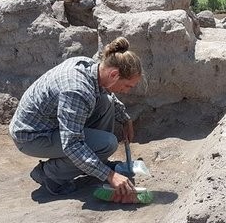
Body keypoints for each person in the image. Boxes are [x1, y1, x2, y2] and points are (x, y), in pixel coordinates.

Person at [9, 36, 141, 203]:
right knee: (107, 143)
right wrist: (109, 175)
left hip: (48, 124)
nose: (127, 91)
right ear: (114, 74)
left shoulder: (90, 67)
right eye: (128, 85)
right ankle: (49, 176)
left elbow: (108, 95)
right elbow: (72, 144)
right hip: (32, 136)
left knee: (106, 103)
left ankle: (94, 163)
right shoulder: (77, 91)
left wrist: (125, 119)